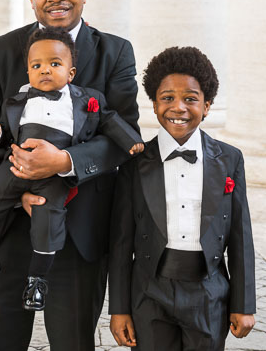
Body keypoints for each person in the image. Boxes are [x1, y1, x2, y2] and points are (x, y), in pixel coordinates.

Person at [0, 0, 140, 350]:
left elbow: (124, 137)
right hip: (7, 231)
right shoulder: (2, 50)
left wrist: (66, 162)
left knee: (73, 343)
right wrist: (16, 188)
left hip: (80, 230)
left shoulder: (116, 52)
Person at [0, 26, 143, 311]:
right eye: (37, 66)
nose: (45, 70)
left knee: (49, 220)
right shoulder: (7, 68)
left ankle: (38, 279)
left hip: (72, 209)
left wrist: (66, 161)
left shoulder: (107, 65)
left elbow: (115, 127)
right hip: (13, 176)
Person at [108, 46, 256, 350]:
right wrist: (119, 309)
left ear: (208, 104)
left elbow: (241, 237)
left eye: (190, 98)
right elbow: (121, 242)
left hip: (209, 293)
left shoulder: (230, 160)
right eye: (167, 98)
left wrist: (244, 303)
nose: (179, 107)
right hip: (150, 292)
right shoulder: (135, 163)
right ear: (153, 103)